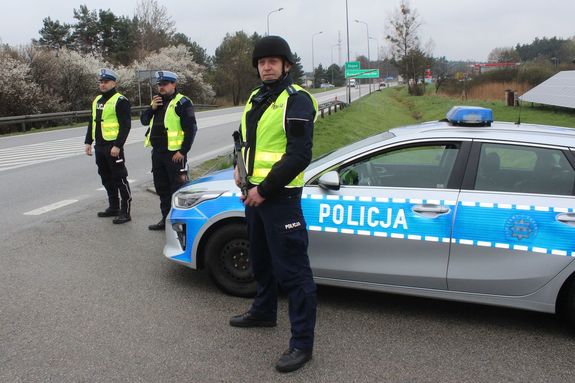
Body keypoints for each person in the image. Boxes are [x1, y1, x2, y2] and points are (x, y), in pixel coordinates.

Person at [230, 36, 319, 373]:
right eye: (261, 62)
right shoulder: (256, 97)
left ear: (286, 65)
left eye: (273, 61)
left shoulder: (297, 101)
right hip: (254, 194)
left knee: (294, 274)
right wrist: (240, 173)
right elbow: (245, 143)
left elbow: (299, 154)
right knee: (262, 260)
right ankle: (264, 312)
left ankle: (302, 345)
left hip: (279, 199)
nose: (266, 66)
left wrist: (263, 190)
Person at [141, 71, 197, 231]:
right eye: (159, 85)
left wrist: (183, 151)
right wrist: (151, 108)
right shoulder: (156, 102)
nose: (161, 87)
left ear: (173, 84)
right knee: (162, 188)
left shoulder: (183, 102)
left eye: (164, 84)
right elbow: (144, 121)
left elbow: (191, 128)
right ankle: (165, 220)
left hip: (175, 154)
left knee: (178, 188)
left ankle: (179, 223)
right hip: (158, 153)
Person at [84, 68, 132, 224]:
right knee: (106, 177)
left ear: (114, 83)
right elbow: (92, 121)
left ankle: (125, 211)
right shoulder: (97, 100)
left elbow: (125, 125)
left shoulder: (120, 100)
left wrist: (118, 145)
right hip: (100, 145)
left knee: (120, 177)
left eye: (106, 82)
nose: (102, 85)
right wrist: (88, 142)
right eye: (101, 82)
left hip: (113, 146)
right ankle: (114, 207)